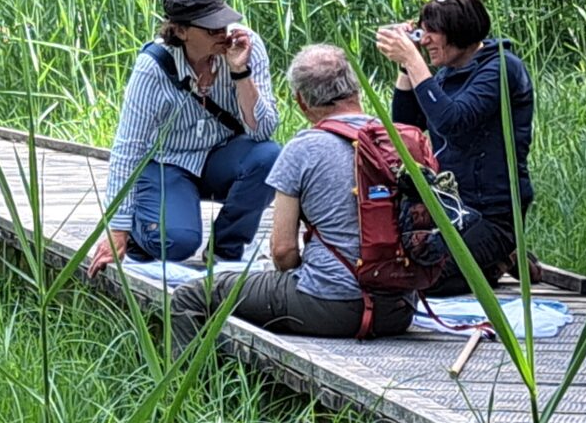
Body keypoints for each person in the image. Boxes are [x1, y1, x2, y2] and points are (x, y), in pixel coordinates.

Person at [164, 44, 419, 345]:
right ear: (357, 90)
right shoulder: (398, 141)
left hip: (328, 305)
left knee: (191, 297)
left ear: (301, 101)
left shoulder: (302, 148)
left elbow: (283, 253)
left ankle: (191, 386)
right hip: (399, 310)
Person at [82, 0, 281, 274]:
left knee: (269, 156)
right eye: (211, 27)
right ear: (180, 31)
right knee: (176, 244)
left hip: (221, 156)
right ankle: (143, 228)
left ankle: (226, 250)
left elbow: (262, 131)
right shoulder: (153, 66)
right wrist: (117, 228)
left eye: (223, 22)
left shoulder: (246, 45)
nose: (222, 33)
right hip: (166, 162)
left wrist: (240, 72)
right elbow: (128, 148)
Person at [373, 0, 533, 295]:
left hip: (493, 216)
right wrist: (409, 64)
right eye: (422, 31)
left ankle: (496, 260)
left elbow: (453, 121)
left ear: (458, 30)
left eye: (432, 31)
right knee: (390, 265)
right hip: (451, 209)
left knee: (424, 280)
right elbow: (406, 127)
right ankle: (489, 261)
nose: (425, 38)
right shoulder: (447, 74)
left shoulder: (502, 68)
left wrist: (415, 62)